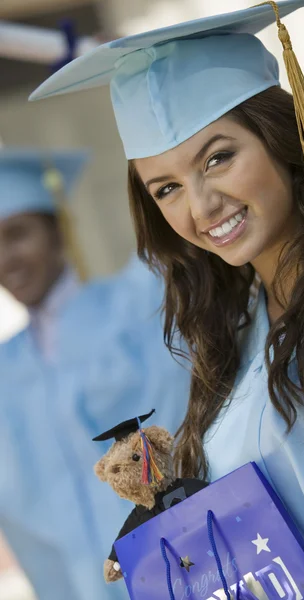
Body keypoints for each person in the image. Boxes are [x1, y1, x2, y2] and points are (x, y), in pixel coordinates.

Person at [30, 0, 304, 597]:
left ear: (283, 136)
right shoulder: (240, 329)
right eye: (167, 188)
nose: (201, 208)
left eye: (219, 158)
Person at [0, 148, 190, 600]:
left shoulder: (134, 306)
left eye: (17, 234)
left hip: (178, 568)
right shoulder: (6, 369)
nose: (6, 258)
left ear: (58, 231)